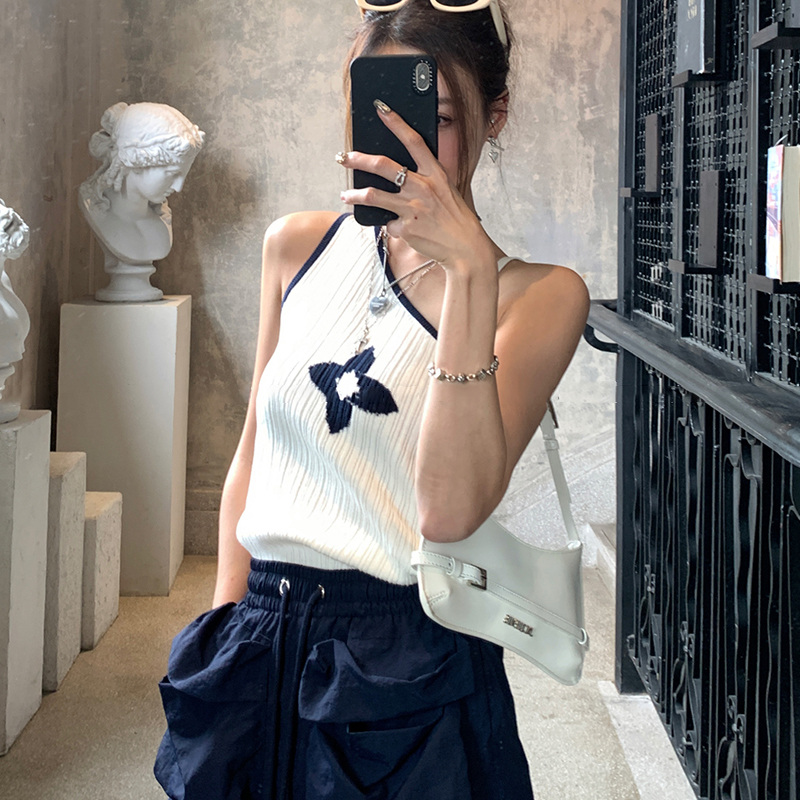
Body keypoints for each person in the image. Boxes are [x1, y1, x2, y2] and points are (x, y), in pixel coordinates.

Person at [153, 1, 590, 798]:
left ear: (495, 116)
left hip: (405, 662)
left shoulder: (540, 297)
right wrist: (221, 637)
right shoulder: (295, 247)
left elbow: (448, 513)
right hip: (260, 633)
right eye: (375, 111)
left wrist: (467, 275)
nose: (403, 142)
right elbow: (255, 456)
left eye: (435, 118)